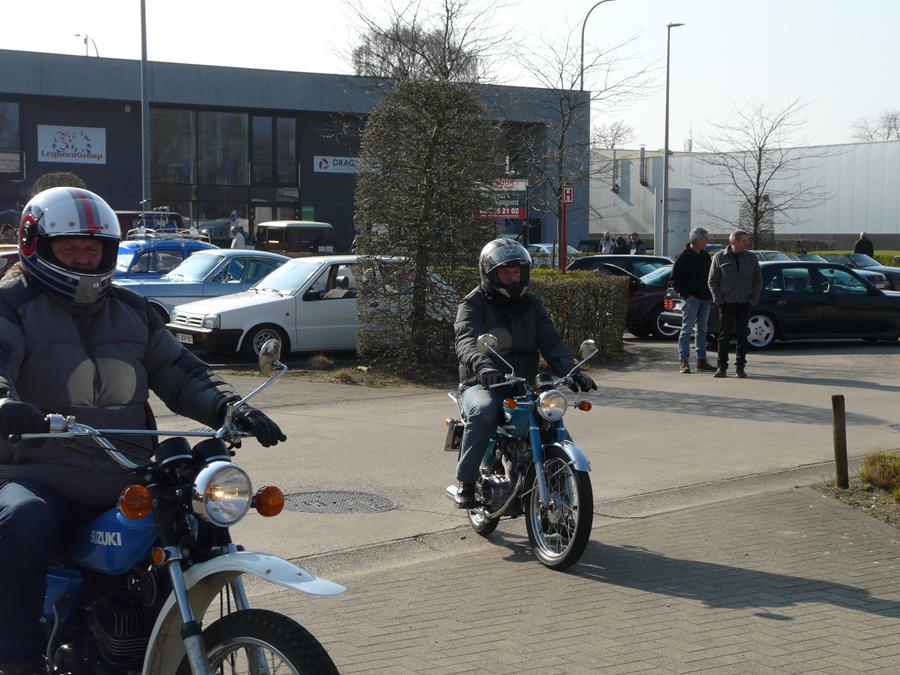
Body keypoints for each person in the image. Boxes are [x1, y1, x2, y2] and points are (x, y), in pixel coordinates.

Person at [0, 187, 286, 674]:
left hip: (124, 474)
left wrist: (229, 406)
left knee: (197, 518)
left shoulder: (132, 310)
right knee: (24, 520)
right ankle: (16, 659)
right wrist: (6, 404)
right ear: (36, 245)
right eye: (70, 248)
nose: (84, 259)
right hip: (38, 474)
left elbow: (179, 371)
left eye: (94, 249)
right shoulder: (11, 305)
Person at [452, 239, 596, 508]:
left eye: (517, 271)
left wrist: (572, 371)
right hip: (484, 383)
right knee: (484, 411)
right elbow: (466, 341)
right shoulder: (473, 303)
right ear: (490, 274)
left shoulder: (532, 304)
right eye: (505, 272)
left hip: (524, 385)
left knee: (553, 422)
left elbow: (551, 342)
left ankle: (563, 486)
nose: (512, 277)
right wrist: (484, 368)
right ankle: (467, 481)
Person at [708, 229, 763, 379]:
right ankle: (722, 367)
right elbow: (712, 281)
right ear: (734, 241)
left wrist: (752, 300)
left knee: (742, 336)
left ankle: (740, 367)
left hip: (744, 303)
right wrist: (719, 300)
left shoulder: (751, 258)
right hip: (726, 303)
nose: (747, 243)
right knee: (724, 336)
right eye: (744, 241)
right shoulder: (720, 257)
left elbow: (758, 281)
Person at [671, 227, 716, 374]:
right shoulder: (683, 256)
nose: (708, 240)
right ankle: (683, 360)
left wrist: (711, 294)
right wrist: (687, 295)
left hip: (705, 298)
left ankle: (701, 361)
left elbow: (710, 276)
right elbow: (674, 280)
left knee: (702, 330)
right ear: (698, 240)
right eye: (706, 238)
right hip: (691, 299)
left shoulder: (705, 255)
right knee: (686, 330)